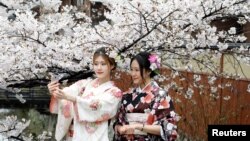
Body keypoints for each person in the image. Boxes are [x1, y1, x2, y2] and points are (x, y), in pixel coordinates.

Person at [48, 47, 122, 141]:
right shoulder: (84, 84)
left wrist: (73, 99)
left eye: (103, 64)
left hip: (95, 137)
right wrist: (54, 91)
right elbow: (64, 95)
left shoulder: (115, 92)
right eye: (96, 64)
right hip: (73, 135)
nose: (99, 68)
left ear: (111, 66)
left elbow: (100, 107)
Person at [114, 52, 179, 141]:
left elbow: (169, 128)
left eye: (137, 70)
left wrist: (138, 126)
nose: (133, 74)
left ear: (148, 71)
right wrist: (119, 128)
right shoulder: (126, 95)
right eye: (131, 69)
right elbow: (118, 123)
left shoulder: (160, 95)